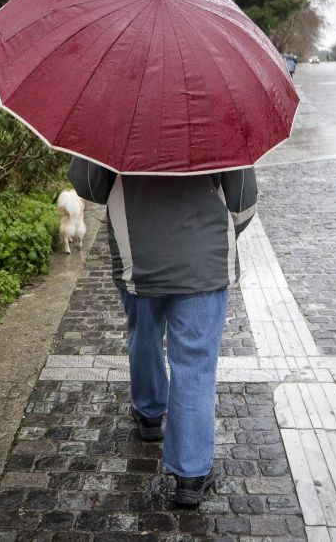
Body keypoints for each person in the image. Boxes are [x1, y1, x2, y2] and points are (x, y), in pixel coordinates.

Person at [68, 158, 258, 507]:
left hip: (137, 258)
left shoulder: (117, 109)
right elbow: (243, 200)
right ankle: (191, 473)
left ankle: (149, 413)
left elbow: (89, 186)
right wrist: (216, 230)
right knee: (195, 363)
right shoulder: (220, 111)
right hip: (205, 260)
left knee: (143, 331)